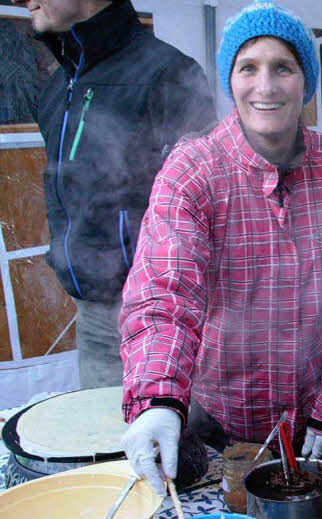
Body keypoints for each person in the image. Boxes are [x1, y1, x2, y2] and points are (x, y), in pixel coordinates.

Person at [118, 0, 322, 494]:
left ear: (305, 80)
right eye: (248, 68)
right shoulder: (192, 172)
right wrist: (157, 401)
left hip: (319, 423)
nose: (265, 86)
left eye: (282, 67)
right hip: (217, 425)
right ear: (229, 80)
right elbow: (165, 295)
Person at [11, 0, 216, 388]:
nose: (22, 0)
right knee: (103, 446)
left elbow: (209, 204)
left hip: (161, 314)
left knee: (177, 443)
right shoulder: (58, 85)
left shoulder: (167, 73)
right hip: (91, 317)